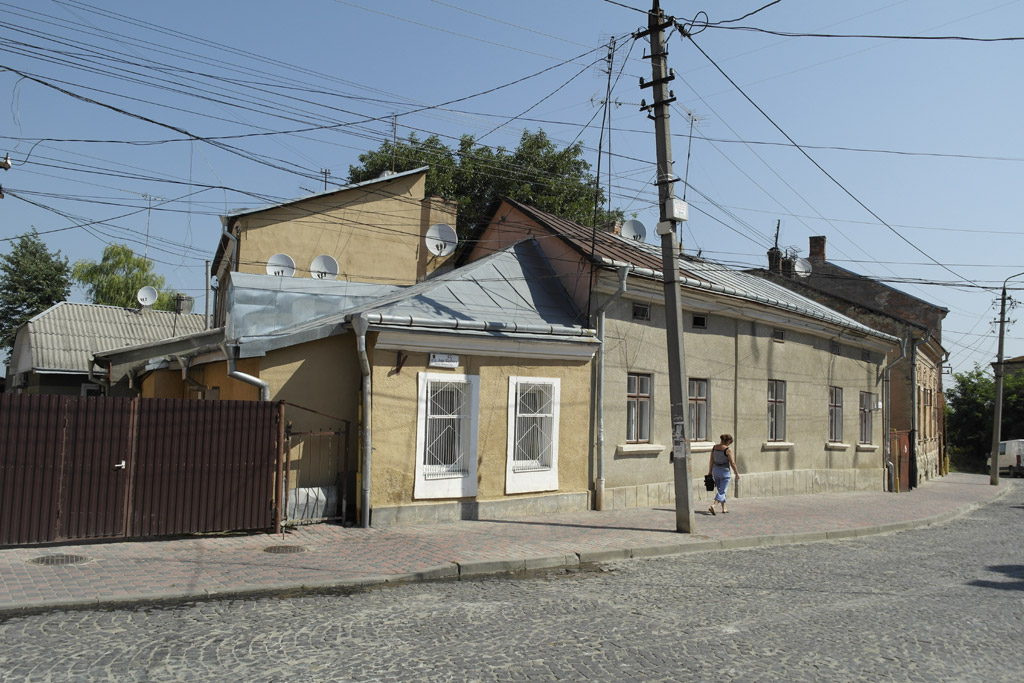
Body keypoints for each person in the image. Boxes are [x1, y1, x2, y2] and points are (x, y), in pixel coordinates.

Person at [707, 433, 739, 515]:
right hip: (724, 472)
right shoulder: (728, 449)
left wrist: (710, 471)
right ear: (727, 441)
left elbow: (711, 460)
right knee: (722, 491)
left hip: (715, 471)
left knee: (720, 490)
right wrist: (736, 473)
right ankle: (714, 505)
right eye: (729, 443)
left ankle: (724, 508)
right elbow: (732, 463)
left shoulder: (714, 447)